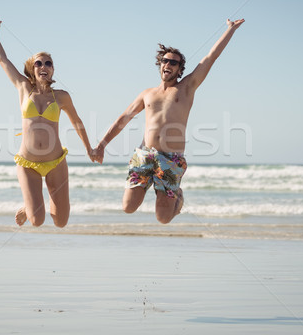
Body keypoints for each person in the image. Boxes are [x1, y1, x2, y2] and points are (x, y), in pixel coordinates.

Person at [94, 18, 245, 224]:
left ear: (179, 68)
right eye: (165, 61)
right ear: (160, 64)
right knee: (128, 208)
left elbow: (211, 57)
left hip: (171, 159)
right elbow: (124, 118)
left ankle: (178, 198)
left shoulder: (187, 87)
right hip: (144, 155)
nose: (168, 64)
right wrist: (102, 145)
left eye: (173, 62)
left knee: (163, 218)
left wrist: (230, 30)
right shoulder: (147, 94)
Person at [0, 20, 96, 228]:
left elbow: (78, 122)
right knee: (37, 221)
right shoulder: (23, 87)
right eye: (39, 63)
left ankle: (33, 205)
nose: (44, 66)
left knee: (61, 222)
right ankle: (30, 207)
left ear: (53, 70)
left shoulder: (62, 97)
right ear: (32, 69)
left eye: (48, 63)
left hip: (55, 162)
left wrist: (89, 149)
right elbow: (2, 59)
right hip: (28, 164)